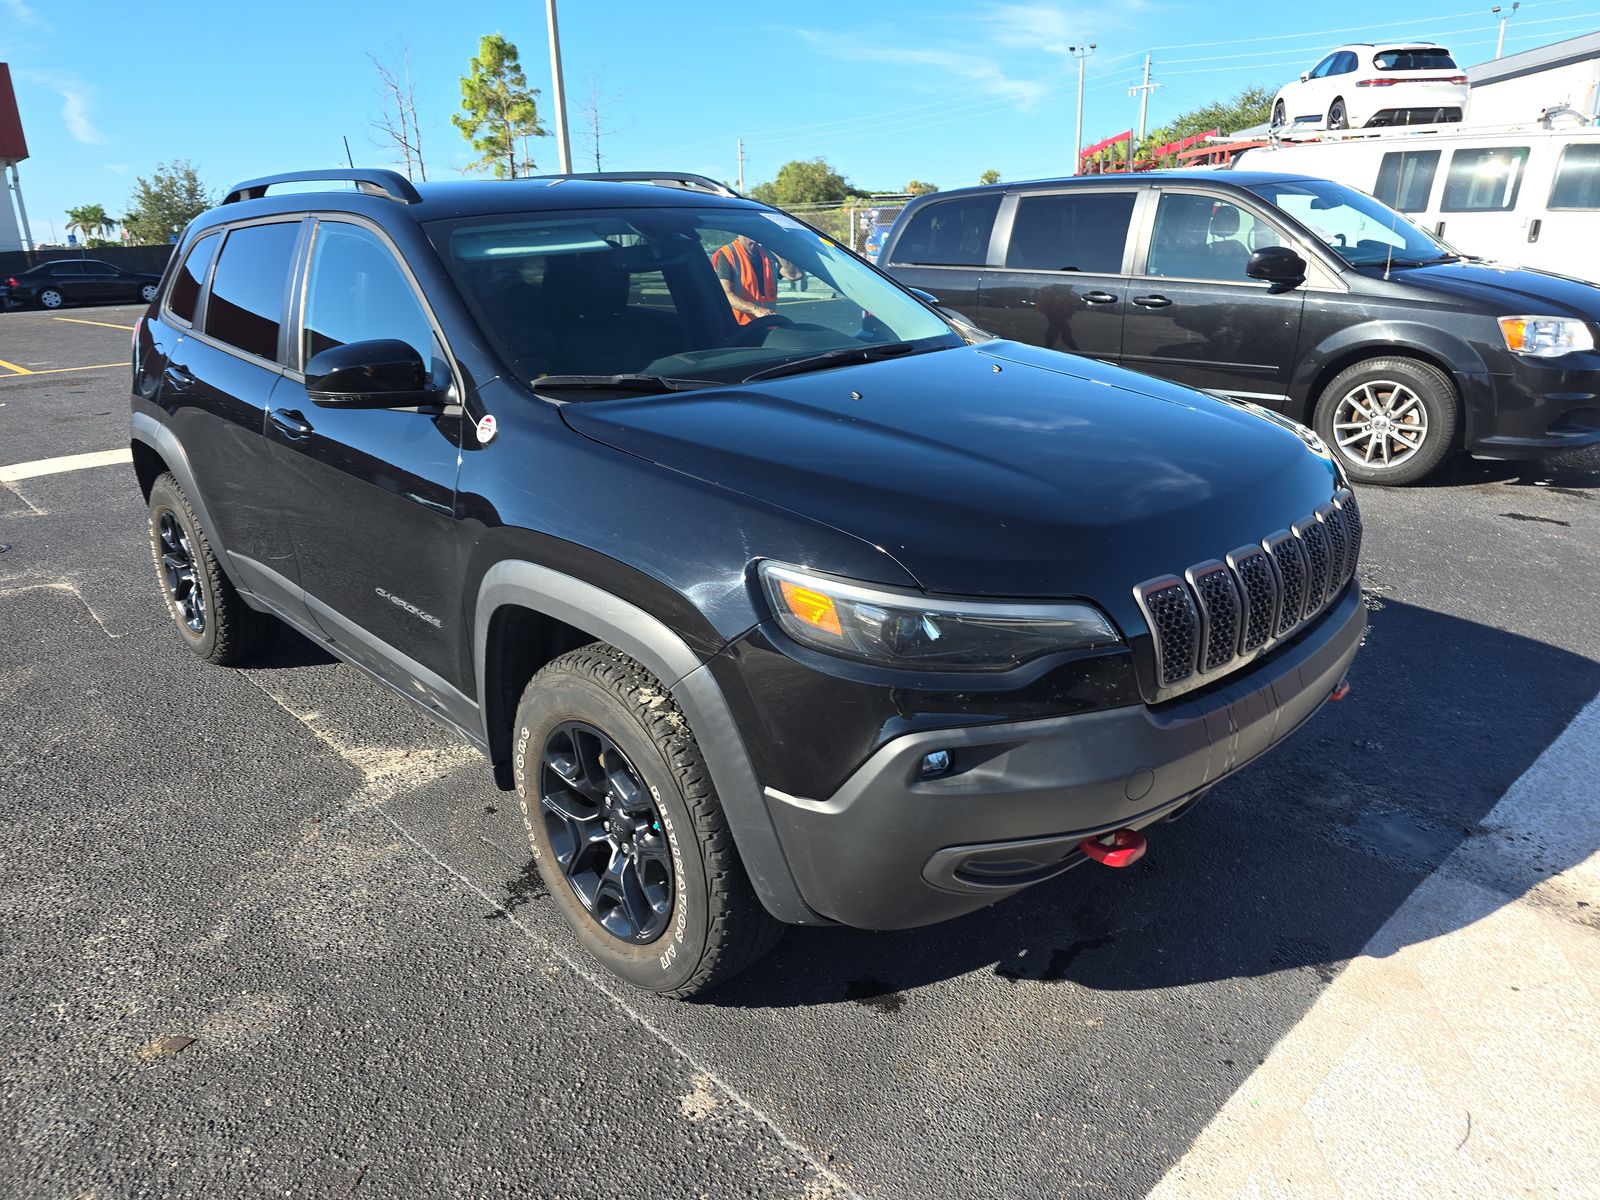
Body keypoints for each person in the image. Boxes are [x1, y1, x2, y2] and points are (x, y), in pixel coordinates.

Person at [711, 233, 801, 325]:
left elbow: (795, 275)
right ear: (740, 231)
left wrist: (774, 248)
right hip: (740, 326)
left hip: (767, 323)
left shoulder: (768, 254)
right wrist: (756, 310)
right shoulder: (728, 254)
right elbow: (726, 294)